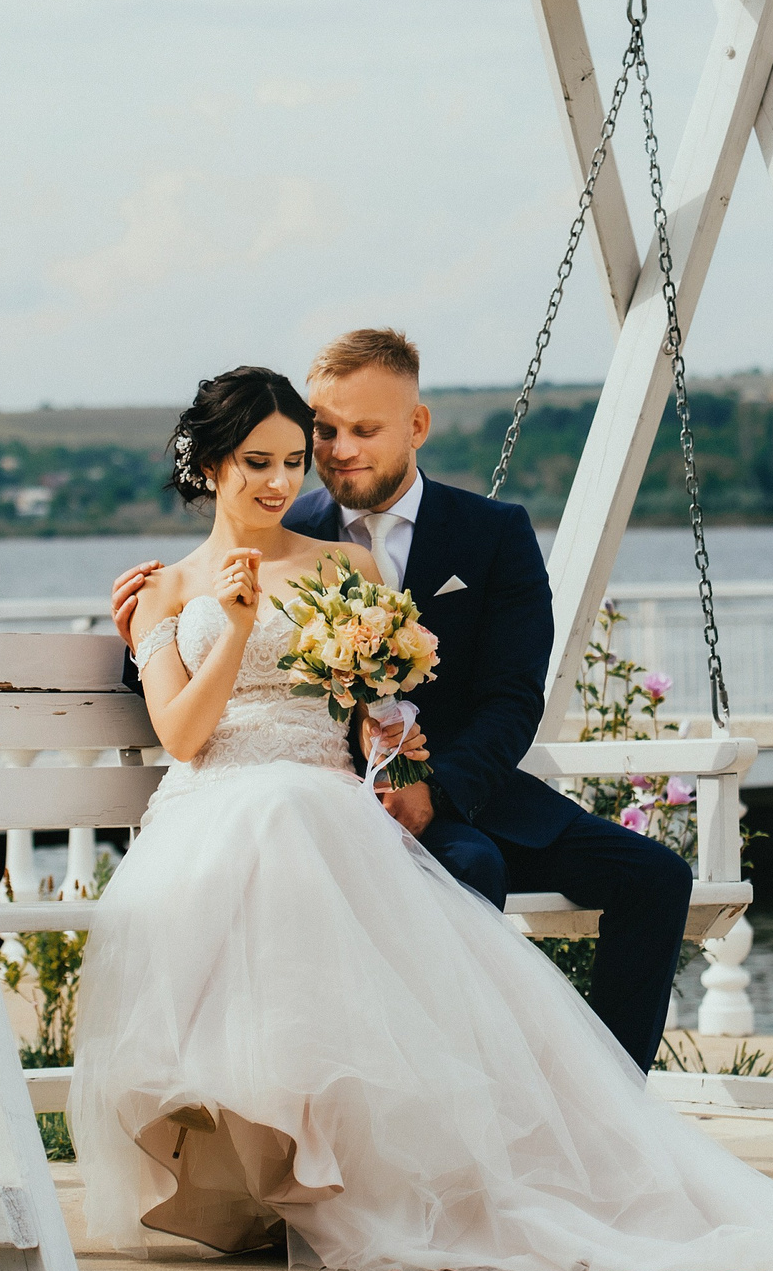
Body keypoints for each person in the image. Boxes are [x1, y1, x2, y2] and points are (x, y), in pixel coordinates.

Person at [73, 364, 773, 1271]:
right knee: (281, 824)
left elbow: (414, 702)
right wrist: (218, 626)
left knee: (319, 824)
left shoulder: (347, 563)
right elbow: (183, 731)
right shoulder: (164, 586)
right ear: (210, 463)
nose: (282, 480)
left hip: (344, 795)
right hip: (234, 801)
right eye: (257, 461)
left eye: (291, 460)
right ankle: (271, 1181)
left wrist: (398, 745)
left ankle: (578, 1128)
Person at [112, 327, 693, 1073]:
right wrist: (135, 636)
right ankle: (462, 1091)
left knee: (655, 879)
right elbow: (212, 651)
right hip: (334, 802)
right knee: (468, 868)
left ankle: (609, 1096)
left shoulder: (493, 534)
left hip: (469, 787)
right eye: (325, 431)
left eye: (365, 430)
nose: (338, 450)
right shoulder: (284, 528)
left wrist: (435, 787)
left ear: (416, 426)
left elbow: (513, 696)